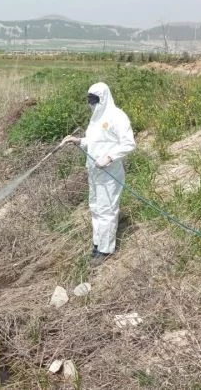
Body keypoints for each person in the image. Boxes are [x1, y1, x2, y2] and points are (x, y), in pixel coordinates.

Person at [60, 82, 136, 265]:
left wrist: (109, 157)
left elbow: (129, 143)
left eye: (94, 99)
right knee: (95, 208)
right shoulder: (96, 118)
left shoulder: (117, 116)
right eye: (89, 99)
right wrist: (78, 141)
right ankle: (97, 244)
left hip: (110, 174)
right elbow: (95, 141)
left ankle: (105, 250)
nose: (91, 103)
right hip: (94, 172)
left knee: (107, 210)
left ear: (103, 98)